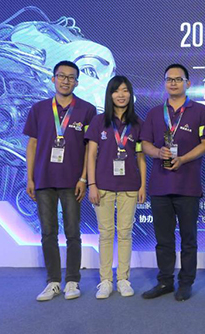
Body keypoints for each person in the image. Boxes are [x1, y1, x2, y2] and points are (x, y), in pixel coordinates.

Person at [24, 60, 97, 301]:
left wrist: (84, 178)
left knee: (73, 232)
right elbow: (32, 144)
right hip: (44, 179)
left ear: (77, 82)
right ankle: (53, 282)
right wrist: (30, 177)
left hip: (72, 180)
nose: (66, 81)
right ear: (53, 78)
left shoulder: (87, 110)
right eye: (61, 76)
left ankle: (73, 281)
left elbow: (90, 148)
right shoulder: (39, 108)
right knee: (48, 232)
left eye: (71, 77)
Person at [140, 64, 205, 301]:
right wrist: (158, 152)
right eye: (169, 79)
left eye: (178, 79)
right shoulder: (154, 113)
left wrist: (183, 159)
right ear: (164, 83)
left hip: (188, 185)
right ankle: (165, 281)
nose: (173, 83)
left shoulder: (200, 111)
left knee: (189, 239)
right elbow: (145, 144)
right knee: (163, 239)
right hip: (160, 186)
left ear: (188, 83)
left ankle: (186, 283)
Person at [86, 76, 146, 299]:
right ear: (110, 95)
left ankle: (123, 279)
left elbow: (141, 157)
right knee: (105, 234)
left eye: (125, 90)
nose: (121, 95)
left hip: (130, 186)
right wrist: (92, 184)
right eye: (116, 91)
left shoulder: (137, 123)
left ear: (130, 94)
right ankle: (105, 281)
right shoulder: (98, 121)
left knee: (125, 233)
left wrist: (142, 185)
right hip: (102, 186)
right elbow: (91, 155)